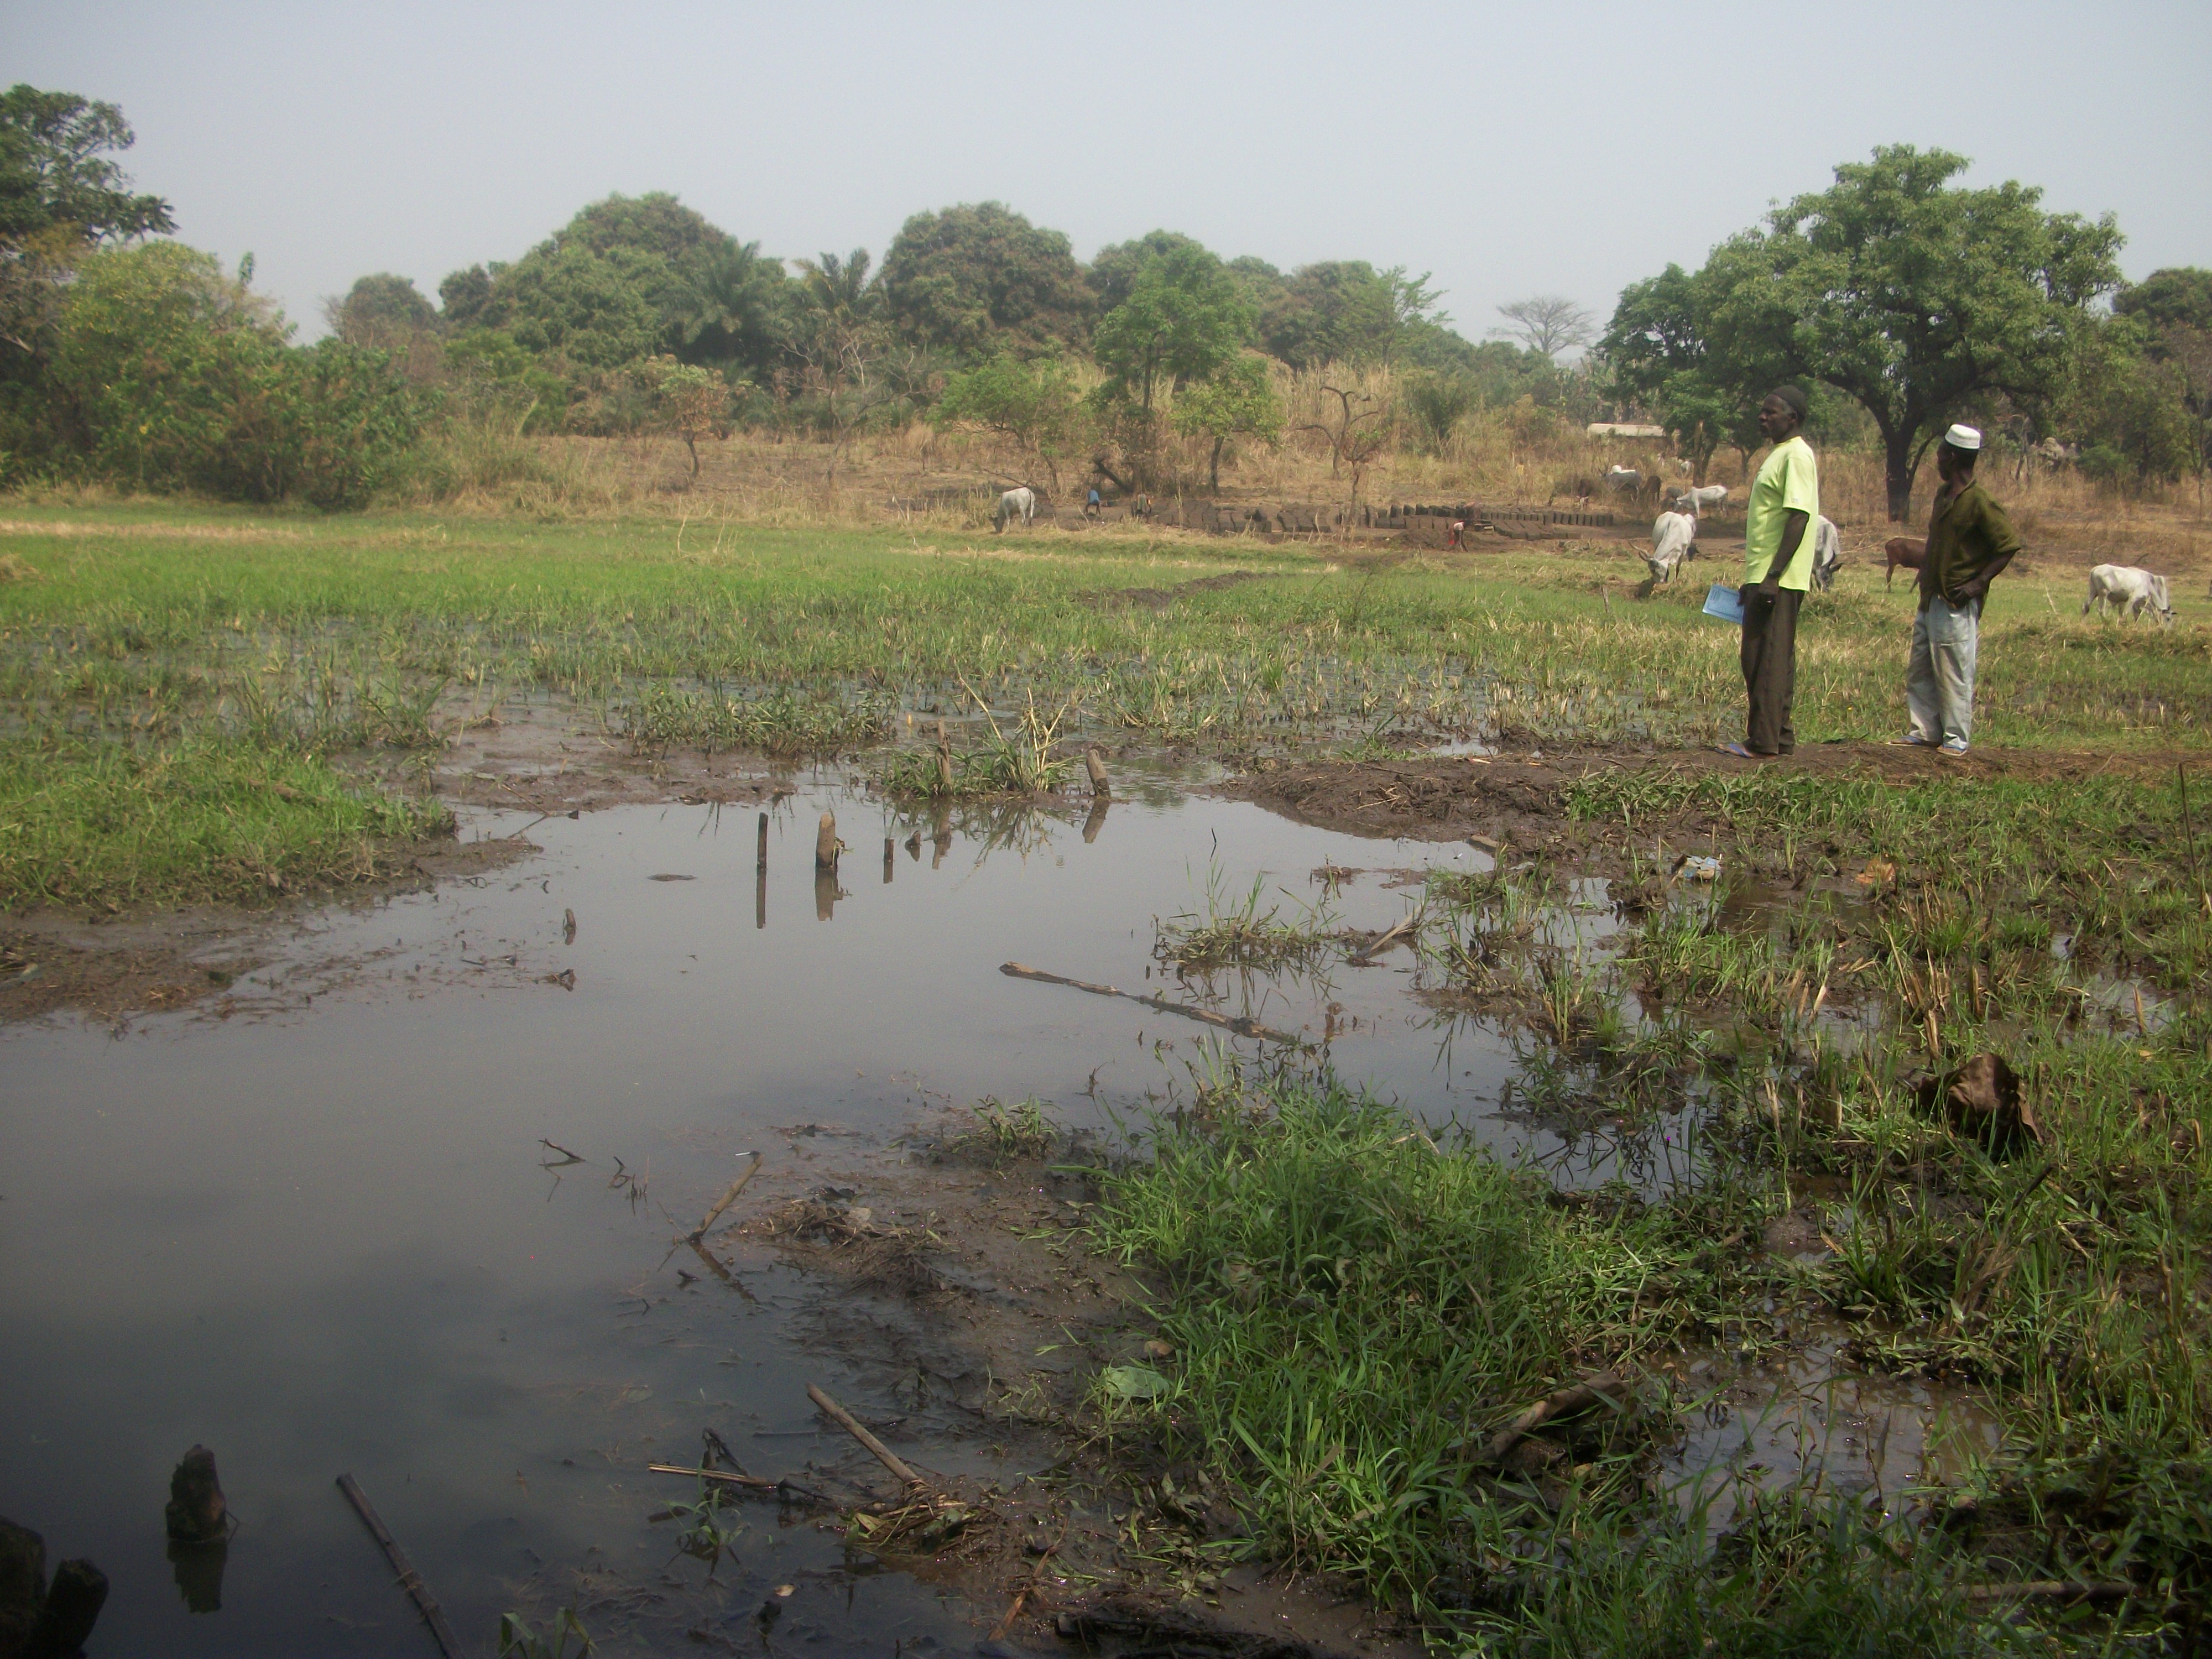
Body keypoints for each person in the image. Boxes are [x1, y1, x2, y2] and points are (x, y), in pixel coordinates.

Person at [1893, 423, 2020, 755]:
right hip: (1931, 594)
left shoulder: (1980, 502)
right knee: (1921, 664)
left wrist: (1978, 583)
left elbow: (2008, 545)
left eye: (1939, 455)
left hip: (1955, 599)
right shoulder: (1942, 496)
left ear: (1951, 457)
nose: (1936, 461)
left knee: (1953, 669)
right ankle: (1925, 731)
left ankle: (1956, 740)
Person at [1721, 386, 1820, 759]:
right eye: (1762, 411)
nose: (1763, 418)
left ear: (1792, 418)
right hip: (1766, 574)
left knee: (1764, 658)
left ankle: (1762, 743)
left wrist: (1773, 576)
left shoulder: (1797, 456)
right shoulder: (1780, 454)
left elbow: (1799, 517)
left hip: (1780, 578)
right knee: (1769, 657)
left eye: (1771, 412)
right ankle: (1779, 736)